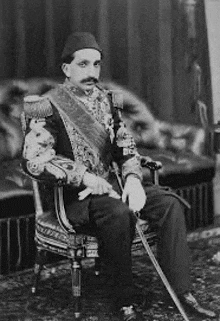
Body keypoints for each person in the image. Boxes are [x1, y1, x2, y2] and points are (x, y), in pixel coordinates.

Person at [21, 32, 216, 321]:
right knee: (118, 212)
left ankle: (182, 293)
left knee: (169, 204)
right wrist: (84, 177)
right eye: (83, 64)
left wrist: (134, 179)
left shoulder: (108, 102)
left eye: (96, 64)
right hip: (76, 198)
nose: (92, 72)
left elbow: (125, 146)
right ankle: (123, 301)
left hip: (115, 184)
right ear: (66, 69)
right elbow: (35, 160)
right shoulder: (49, 106)